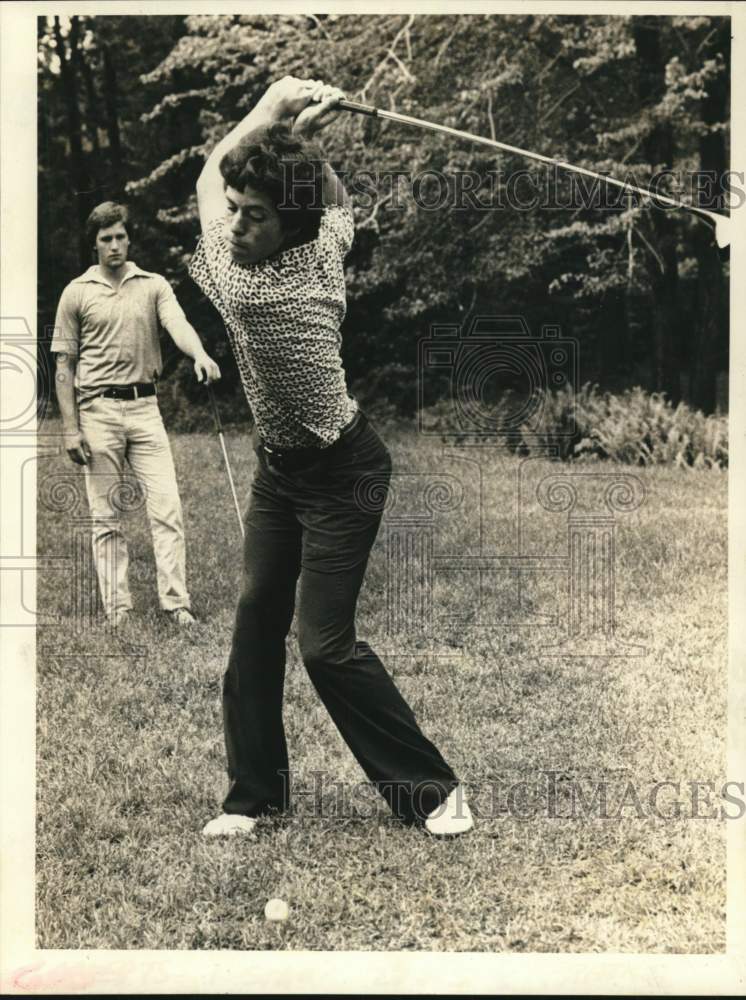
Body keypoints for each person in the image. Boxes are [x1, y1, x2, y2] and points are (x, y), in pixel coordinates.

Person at [190, 76, 473, 837]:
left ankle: (433, 789)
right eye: (238, 211)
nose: (239, 223)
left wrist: (274, 103)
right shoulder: (324, 244)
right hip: (280, 473)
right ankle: (254, 795)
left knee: (323, 645)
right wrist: (309, 143)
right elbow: (336, 202)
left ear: (288, 227)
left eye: (256, 215)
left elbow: (207, 171)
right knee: (255, 619)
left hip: (346, 473)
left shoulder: (247, 288)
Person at [52, 201, 221, 628]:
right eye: (106, 239)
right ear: (94, 244)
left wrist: (199, 353)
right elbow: (63, 368)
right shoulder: (77, 292)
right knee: (106, 517)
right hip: (97, 412)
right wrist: (71, 430)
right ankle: (118, 611)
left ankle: (177, 604)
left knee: (168, 508)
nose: (114, 245)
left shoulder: (153, 284)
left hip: (146, 408)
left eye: (120, 236)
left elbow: (177, 322)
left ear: (129, 238)